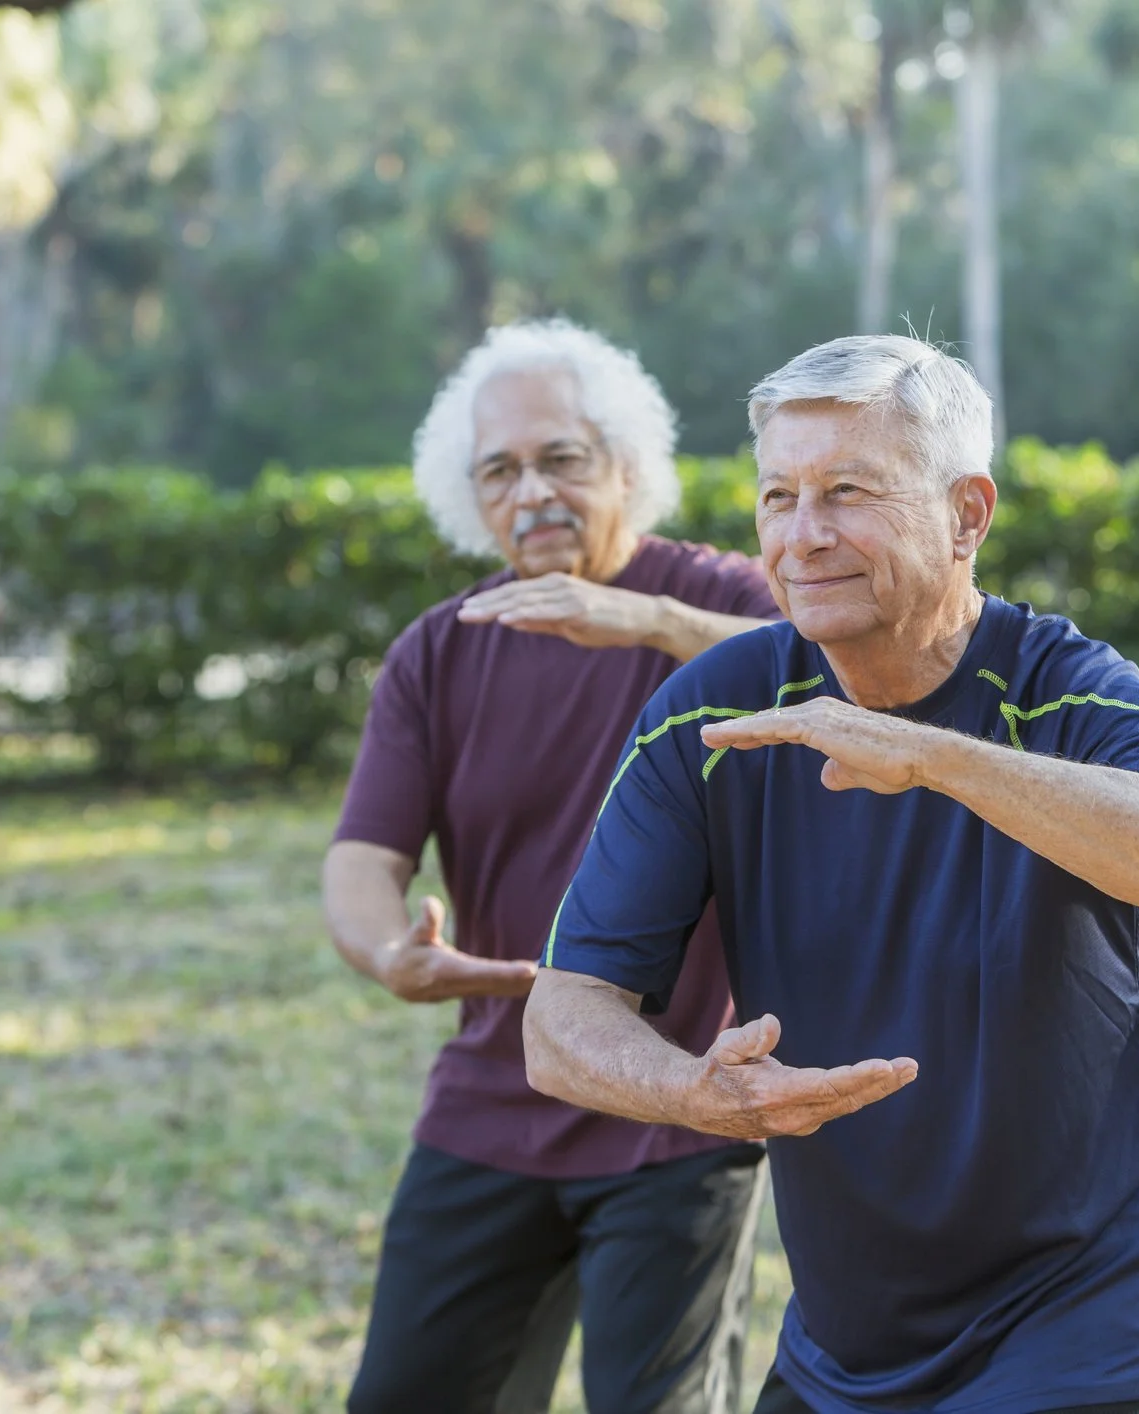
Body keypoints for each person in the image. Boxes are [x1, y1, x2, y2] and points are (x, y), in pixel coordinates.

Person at [522, 334, 1139, 1414]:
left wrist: (933, 756)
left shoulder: (1065, 691)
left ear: (968, 513)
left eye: (847, 491)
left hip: (1094, 1310)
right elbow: (559, 1022)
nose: (802, 534)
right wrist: (693, 1091)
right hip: (852, 1333)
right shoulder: (715, 712)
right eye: (778, 496)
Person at [324, 319, 781, 1414]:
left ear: (627, 464)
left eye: (561, 459)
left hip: (681, 1098)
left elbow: (830, 672)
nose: (531, 492)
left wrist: (642, 620)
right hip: (498, 1092)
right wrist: (390, 950)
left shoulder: (721, 603)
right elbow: (361, 857)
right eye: (500, 470)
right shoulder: (441, 649)